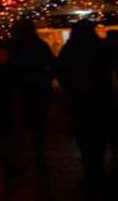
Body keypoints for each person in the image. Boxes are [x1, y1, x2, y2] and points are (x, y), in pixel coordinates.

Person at [54, 20, 116, 192]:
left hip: (79, 100)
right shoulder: (100, 47)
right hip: (101, 99)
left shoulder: (69, 49)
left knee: (85, 135)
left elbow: (59, 70)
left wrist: (69, 87)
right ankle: (98, 168)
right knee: (101, 134)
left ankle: (91, 169)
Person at [6, 19, 54, 170]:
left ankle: (18, 158)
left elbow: (6, 68)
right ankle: (39, 155)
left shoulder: (12, 46)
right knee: (38, 124)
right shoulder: (40, 45)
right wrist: (46, 78)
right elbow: (52, 64)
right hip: (39, 88)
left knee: (19, 125)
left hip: (19, 89)